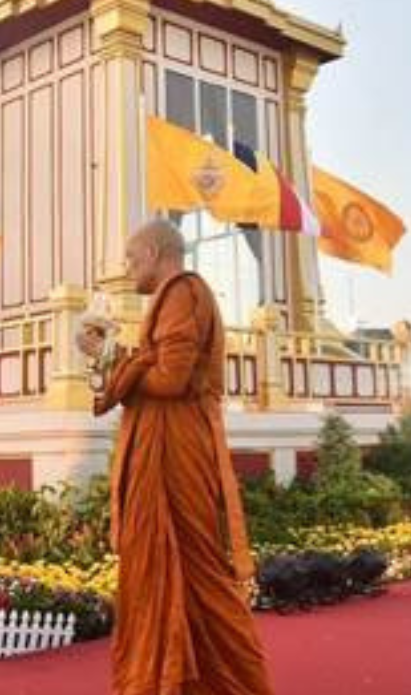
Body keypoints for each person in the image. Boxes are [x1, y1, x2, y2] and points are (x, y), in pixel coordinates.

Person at [73, 219, 274, 695]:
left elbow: (170, 380)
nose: (127, 268)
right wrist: (111, 358)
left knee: (197, 570)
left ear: (156, 251)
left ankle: (230, 684)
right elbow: (155, 368)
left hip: (177, 448)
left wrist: (117, 359)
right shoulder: (170, 300)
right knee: (165, 570)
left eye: (131, 257)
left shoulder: (181, 292)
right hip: (166, 444)